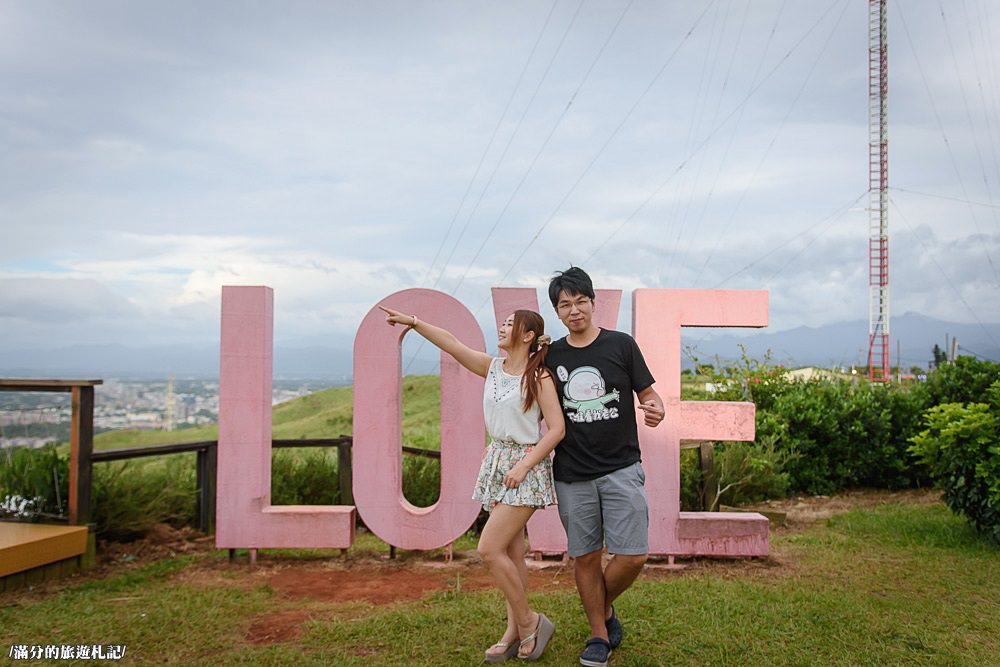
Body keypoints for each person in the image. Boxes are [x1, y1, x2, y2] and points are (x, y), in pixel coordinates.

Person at [379, 305, 563, 662]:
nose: (502, 326)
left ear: (527, 336)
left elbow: (556, 429)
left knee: (488, 548)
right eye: (504, 321)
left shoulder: (538, 377)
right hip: (498, 463)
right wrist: (415, 323)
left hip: (524, 469)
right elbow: (450, 343)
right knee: (511, 553)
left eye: (511, 324)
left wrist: (524, 466)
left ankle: (530, 622)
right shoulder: (493, 367)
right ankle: (513, 632)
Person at [543, 267, 665, 667]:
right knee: (586, 556)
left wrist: (656, 409)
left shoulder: (621, 345)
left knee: (633, 555)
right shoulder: (551, 355)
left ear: (594, 302)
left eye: (580, 301)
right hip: (572, 474)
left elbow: (649, 395)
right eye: (565, 304)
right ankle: (599, 633)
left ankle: (602, 607)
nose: (574, 310)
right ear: (557, 312)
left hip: (622, 467)